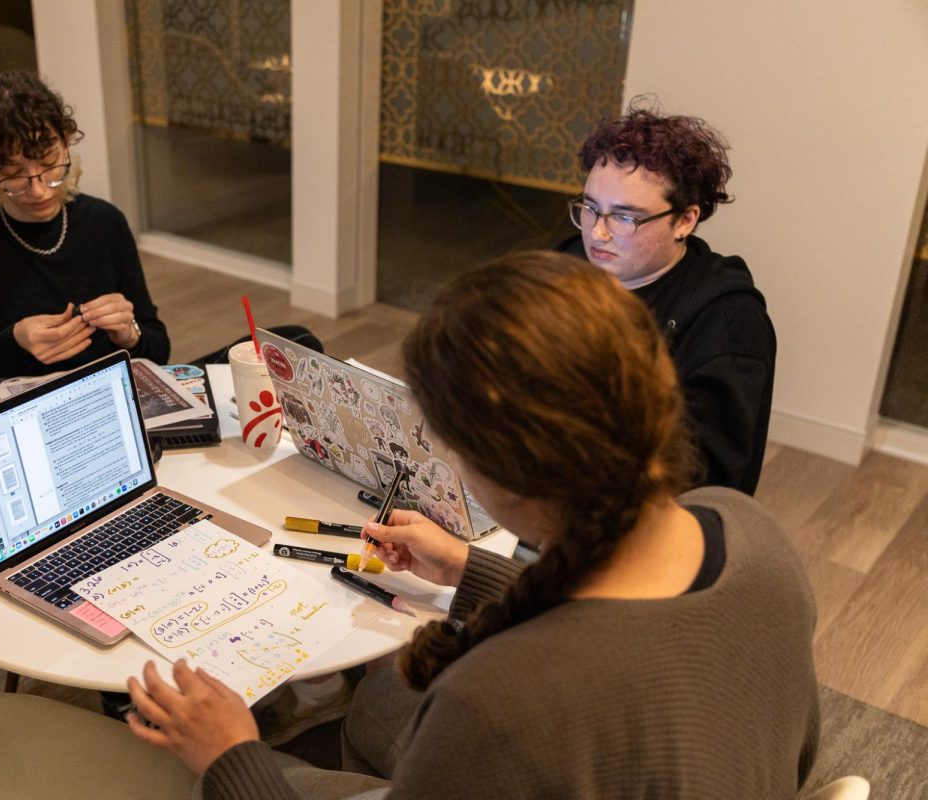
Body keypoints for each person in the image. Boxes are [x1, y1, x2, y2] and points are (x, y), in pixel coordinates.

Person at [123, 252, 820, 798]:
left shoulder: (495, 704)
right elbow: (627, 630)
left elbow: (571, 665)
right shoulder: (744, 527)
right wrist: (469, 567)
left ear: (505, 473)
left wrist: (231, 756)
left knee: (184, 781)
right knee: (378, 711)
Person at [0, 71, 170, 407]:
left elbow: (158, 349)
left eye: (50, 166)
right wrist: (12, 344)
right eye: (14, 175)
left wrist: (129, 334)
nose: (37, 190)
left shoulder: (104, 223)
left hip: (101, 406)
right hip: (7, 418)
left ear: (66, 143)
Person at [559, 101, 776, 494]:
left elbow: (696, 480)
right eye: (590, 208)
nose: (597, 234)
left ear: (685, 220)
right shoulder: (567, 263)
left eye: (625, 217)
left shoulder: (728, 324)